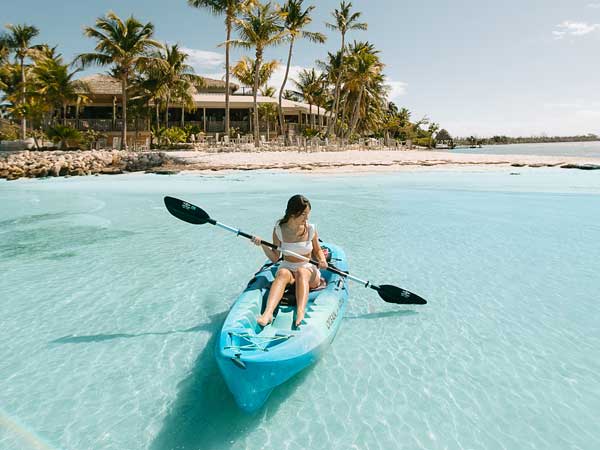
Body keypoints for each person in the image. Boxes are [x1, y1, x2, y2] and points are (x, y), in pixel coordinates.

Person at [252, 194, 328, 328]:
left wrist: (322, 260)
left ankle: (300, 312)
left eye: (308, 214)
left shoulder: (310, 229)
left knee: (301, 271)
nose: (307, 218)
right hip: (288, 268)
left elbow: (317, 250)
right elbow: (276, 258)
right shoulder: (279, 229)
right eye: (304, 214)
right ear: (293, 213)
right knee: (281, 273)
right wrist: (263, 244)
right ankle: (268, 313)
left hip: (308, 269)